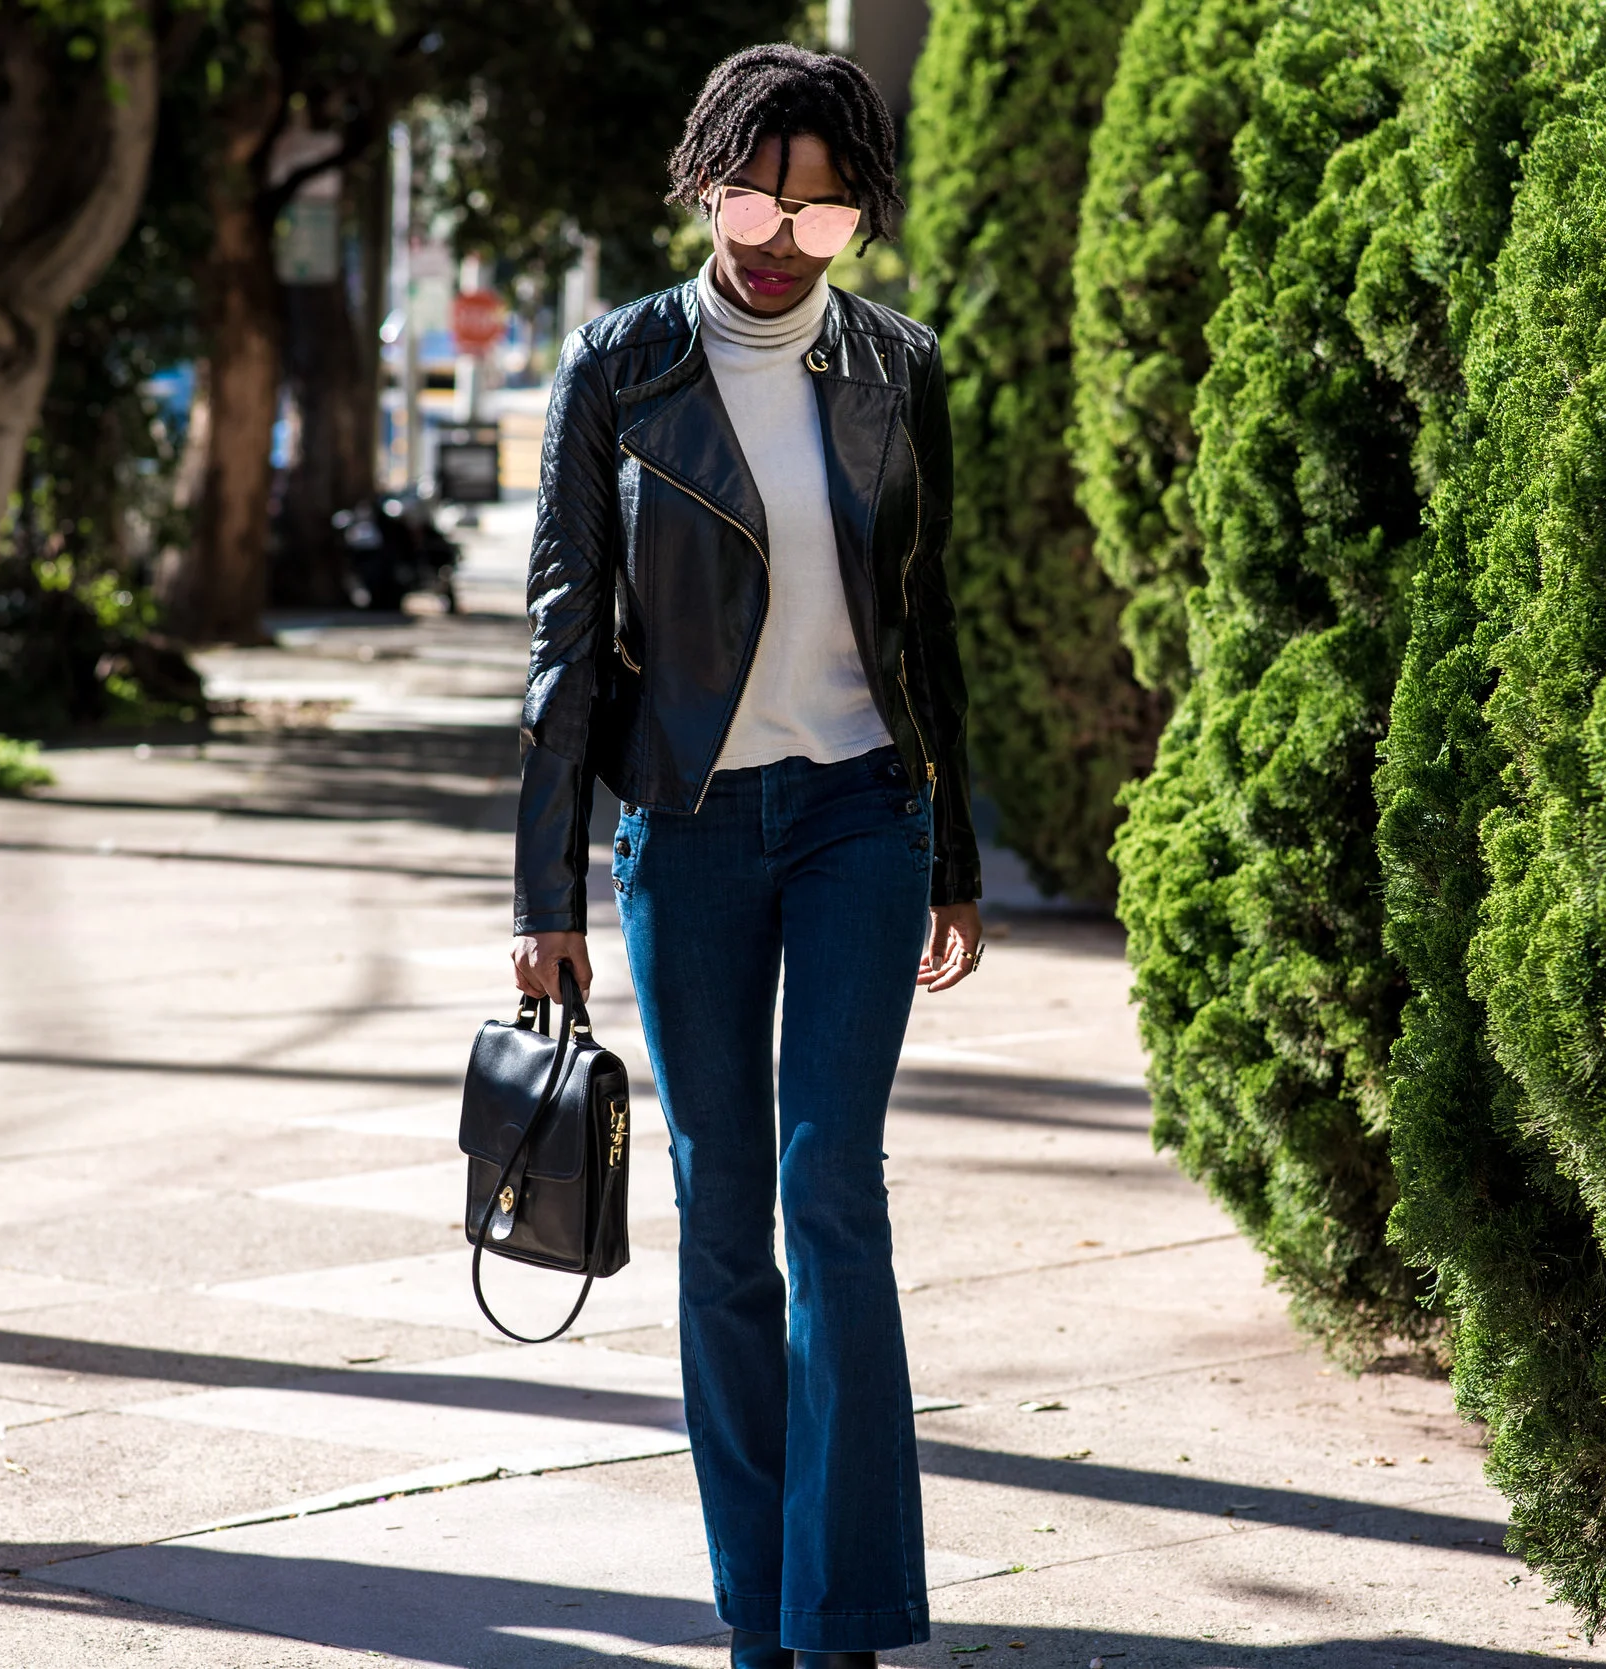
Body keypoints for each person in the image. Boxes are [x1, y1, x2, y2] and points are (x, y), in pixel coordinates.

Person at [509, 42, 982, 1669]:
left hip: (862, 814)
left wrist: (956, 851)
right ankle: (759, 1616)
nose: (781, 237)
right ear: (708, 179)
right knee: (724, 1219)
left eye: (822, 211)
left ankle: (840, 1620)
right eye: (756, 198)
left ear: (859, 219)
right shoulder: (618, 368)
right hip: (687, 832)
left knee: (833, 1200)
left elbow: (926, 618)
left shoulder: (898, 370)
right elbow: (569, 636)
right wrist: (543, 893)